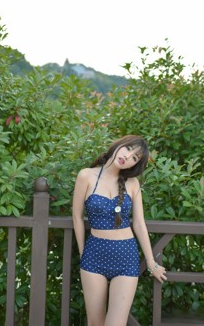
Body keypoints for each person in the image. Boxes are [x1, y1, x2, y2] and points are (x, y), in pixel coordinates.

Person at [72, 134, 167, 326]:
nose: (127, 156)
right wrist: (84, 253)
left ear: (134, 165)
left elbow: (139, 224)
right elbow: (76, 217)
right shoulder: (86, 175)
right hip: (94, 255)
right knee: (95, 323)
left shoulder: (132, 184)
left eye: (134, 158)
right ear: (119, 144)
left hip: (126, 257)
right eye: (128, 149)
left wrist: (151, 262)